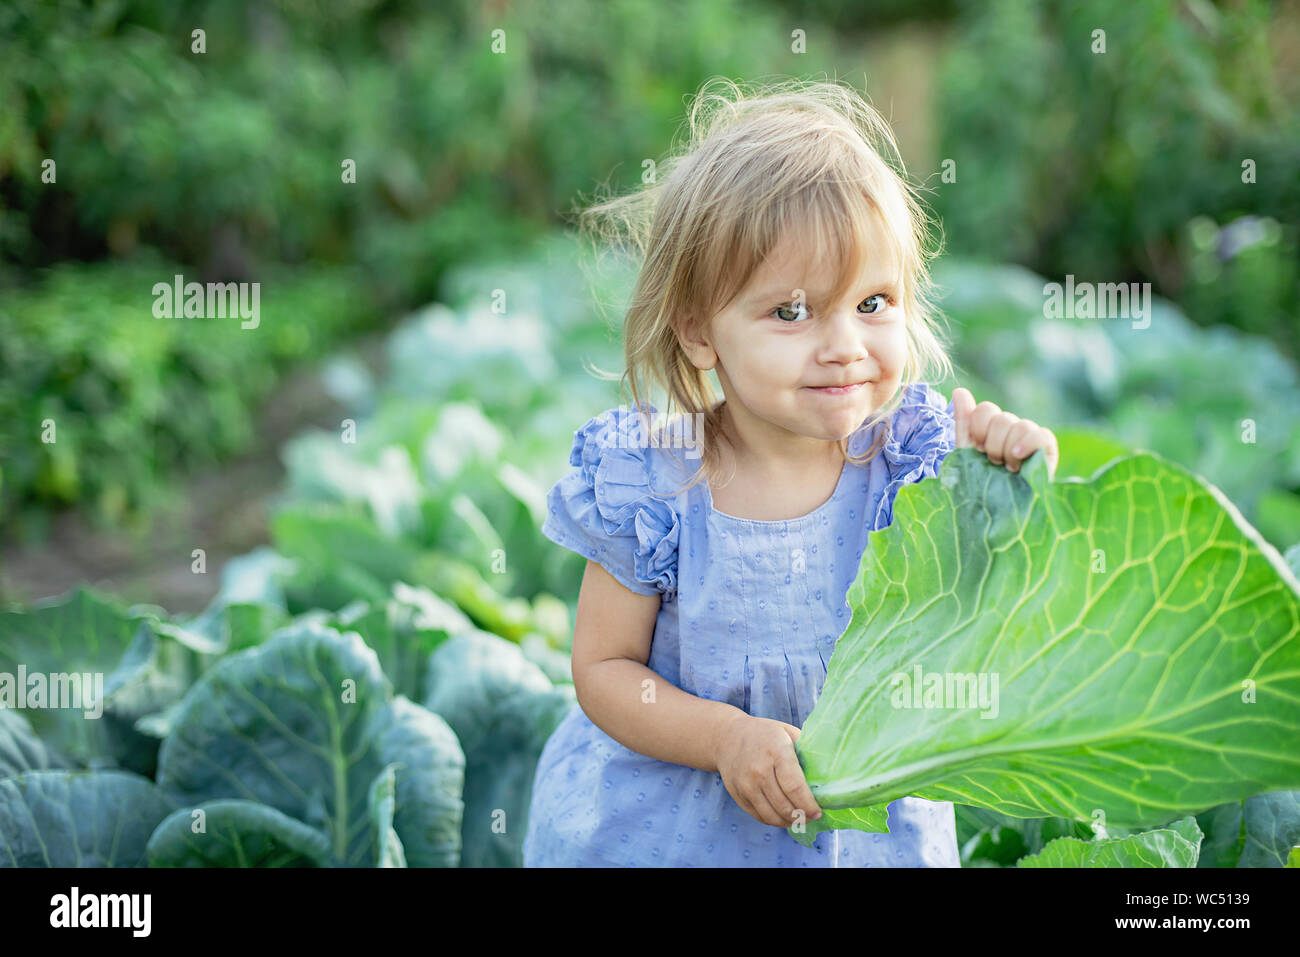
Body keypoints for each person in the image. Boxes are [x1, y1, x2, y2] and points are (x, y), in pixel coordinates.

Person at [522, 78, 1058, 867]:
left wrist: (1013, 471)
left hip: (863, 834)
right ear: (700, 332)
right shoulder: (656, 479)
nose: (844, 343)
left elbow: (997, 607)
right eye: (793, 312)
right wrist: (724, 738)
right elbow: (604, 671)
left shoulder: (913, 464)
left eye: (874, 303)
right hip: (673, 830)